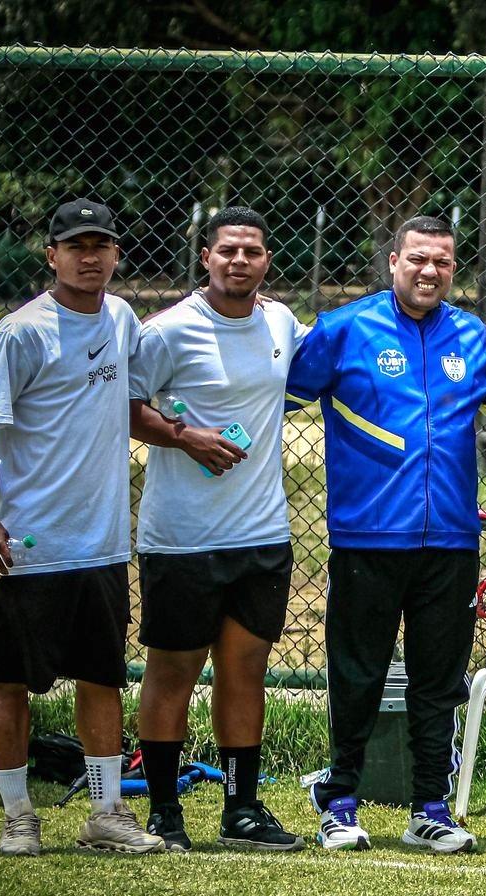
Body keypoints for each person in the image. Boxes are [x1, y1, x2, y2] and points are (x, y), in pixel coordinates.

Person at [286, 214, 486, 854]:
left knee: (440, 679)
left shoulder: (474, 339)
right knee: (358, 673)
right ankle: (340, 802)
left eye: (442, 262)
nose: (428, 271)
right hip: (367, 537)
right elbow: (275, 397)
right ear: (392, 261)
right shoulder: (344, 330)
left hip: (451, 541)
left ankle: (431, 807)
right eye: (417, 259)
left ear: (452, 270)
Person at [0, 197, 162, 856]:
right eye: (75, 246)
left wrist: (188, 433)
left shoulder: (123, 318)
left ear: (114, 255)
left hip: (101, 542)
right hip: (28, 544)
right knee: (10, 680)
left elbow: (133, 404)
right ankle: (19, 819)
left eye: (100, 245)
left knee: (103, 677)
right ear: (52, 256)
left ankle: (106, 813)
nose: (89, 256)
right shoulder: (22, 331)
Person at [128, 206, 307, 853]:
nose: (239, 260)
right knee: (172, 671)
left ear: (266, 261)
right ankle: (165, 812)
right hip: (183, 538)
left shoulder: (282, 323)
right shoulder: (168, 331)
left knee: (245, 673)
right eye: (227, 250)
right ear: (206, 257)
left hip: (262, 536)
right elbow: (126, 408)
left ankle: (242, 809)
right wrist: (185, 437)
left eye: (251, 251)